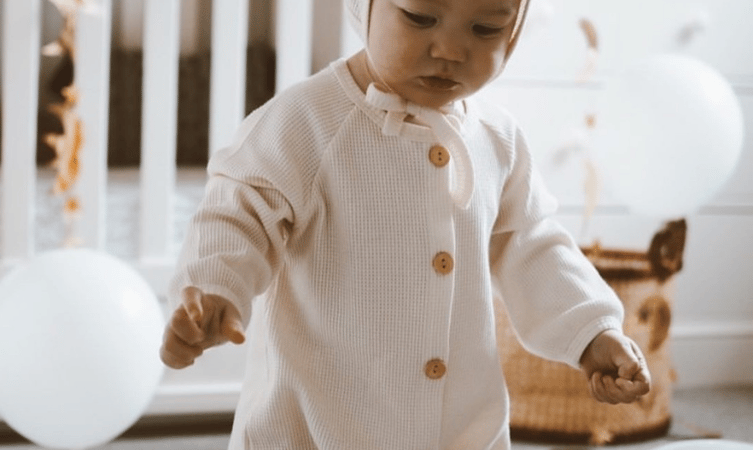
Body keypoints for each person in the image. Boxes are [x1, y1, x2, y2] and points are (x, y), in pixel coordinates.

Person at [159, 0, 651, 448]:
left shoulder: (498, 139)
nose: (451, 49)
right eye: (419, 18)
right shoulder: (305, 122)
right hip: (319, 424)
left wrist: (591, 331)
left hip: (461, 428)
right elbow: (237, 211)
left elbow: (534, 243)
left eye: (486, 29)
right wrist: (215, 288)